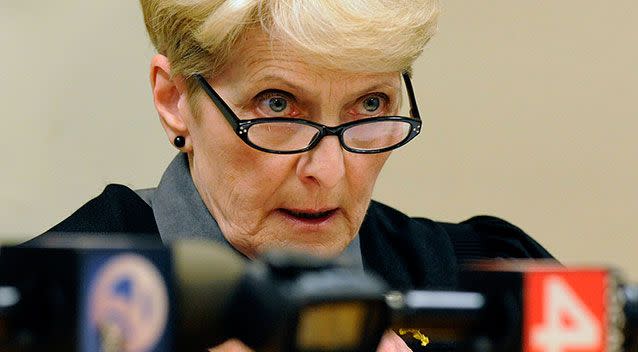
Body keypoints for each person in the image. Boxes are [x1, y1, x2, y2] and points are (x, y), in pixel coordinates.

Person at [26, 0, 553, 350]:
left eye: (369, 104)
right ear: (174, 100)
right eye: (278, 105)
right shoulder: (47, 304)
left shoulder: (483, 279)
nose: (328, 172)